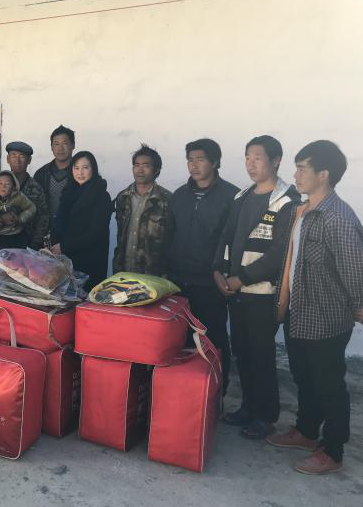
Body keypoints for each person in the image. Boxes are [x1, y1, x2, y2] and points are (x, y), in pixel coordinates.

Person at [266, 141, 363, 475]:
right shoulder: (303, 210)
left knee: (329, 385)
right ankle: (306, 432)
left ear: (324, 174)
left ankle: (333, 451)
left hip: (326, 318)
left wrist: (359, 305)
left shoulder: (338, 218)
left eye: (302, 168)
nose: (295, 175)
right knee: (304, 377)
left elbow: (354, 271)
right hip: (299, 312)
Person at [212, 135, 300, 439]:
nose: (250, 164)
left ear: (276, 161)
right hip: (235, 292)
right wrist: (218, 271)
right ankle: (248, 407)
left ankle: (265, 415)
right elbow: (226, 236)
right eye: (247, 158)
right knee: (243, 351)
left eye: (258, 158)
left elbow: (280, 253)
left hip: (263, 294)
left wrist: (242, 278)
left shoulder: (287, 201)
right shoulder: (242, 197)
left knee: (261, 354)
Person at [167, 138, 239, 394]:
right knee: (181, 338)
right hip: (178, 281)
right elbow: (169, 235)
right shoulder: (179, 196)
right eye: (190, 160)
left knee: (213, 338)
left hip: (210, 282)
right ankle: (187, 393)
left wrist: (221, 271)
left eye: (200, 160)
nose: (194, 165)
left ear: (215, 162)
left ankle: (217, 391)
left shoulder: (232, 197)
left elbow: (233, 241)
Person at [51, 151, 113, 291]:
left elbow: (96, 233)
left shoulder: (101, 195)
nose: (80, 172)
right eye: (76, 168)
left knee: (84, 299)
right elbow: (59, 222)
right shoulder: (68, 191)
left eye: (85, 167)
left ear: (93, 169)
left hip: (89, 262)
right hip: (64, 261)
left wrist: (64, 247)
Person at [113, 144, 172, 276]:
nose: (140, 170)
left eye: (146, 165)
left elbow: (172, 241)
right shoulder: (123, 197)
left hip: (153, 274)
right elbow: (120, 237)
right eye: (136, 165)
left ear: (156, 169)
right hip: (123, 272)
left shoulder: (167, 200)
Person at [6, 141, 49, 250]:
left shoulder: (37, 189)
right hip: (0, 245)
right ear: (8, 159)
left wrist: (35, 244)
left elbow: (43, 219)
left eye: (22, 156)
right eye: (13, 156)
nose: (17, 160)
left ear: (29, 160)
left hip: (27, 246)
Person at [34, 125, 76, 229]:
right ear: (51, 147)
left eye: (64, 143)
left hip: (73, 231)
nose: (60, 148)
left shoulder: (81, 174)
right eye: (56, 144)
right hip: (45, 232)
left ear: (73, 145)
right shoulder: (41, 174)